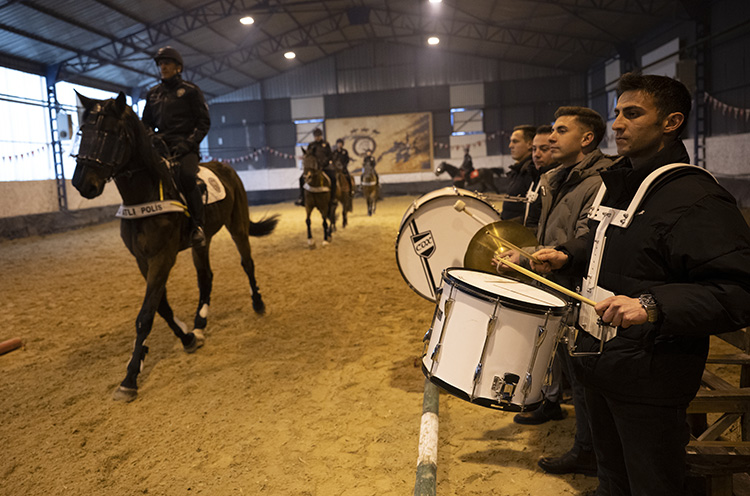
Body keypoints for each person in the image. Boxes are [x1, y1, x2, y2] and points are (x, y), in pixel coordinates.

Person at [525, 73, 750, 495]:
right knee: (612, 480)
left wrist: (651, 304)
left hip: (651, 375)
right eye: (617, 115)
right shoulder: (623, 185)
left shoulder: (696, 197)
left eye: (633, 114)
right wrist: (568, 253)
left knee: (651, 484)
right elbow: (611, 240)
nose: (617, 125)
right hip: (601, 365)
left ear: (671, 122)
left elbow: (738, 291)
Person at [496, 108, 619, 480]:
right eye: (551, 129)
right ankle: (586, 445)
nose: (550, 138)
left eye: (560, 131)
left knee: (582, 376)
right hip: (555, 285)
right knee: (571, 370)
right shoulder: (555, 177)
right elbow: (543, 236)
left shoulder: (599, 181)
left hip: (578, 289)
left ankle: (590, 451)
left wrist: (535, 257)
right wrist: (524, 255)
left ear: (586, 139)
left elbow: (583, 241)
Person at [142, 46, 211, 247]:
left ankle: (198, 226)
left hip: (185, 148)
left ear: (178, 67)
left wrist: (188, 143)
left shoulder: (191, 91)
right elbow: (145, 123)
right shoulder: (152, 94)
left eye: (167, 63)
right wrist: (151, 137)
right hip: (161, 148)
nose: (163, 67)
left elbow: (203, 123)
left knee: (187, 177)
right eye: (160, 64)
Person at [524, 124, 558, 228]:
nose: (536, 155)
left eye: (544, 149)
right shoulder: (535, 176)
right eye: (534, 149)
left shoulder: (557, 182)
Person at [501, 125, 536, 221]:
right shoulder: (518, 171)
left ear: (530, 144)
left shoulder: (531, 172)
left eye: (515, 141)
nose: (510, 145)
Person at [295, 128, 334, 207]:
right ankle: (302, 198)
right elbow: (308, 155)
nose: (317, 137)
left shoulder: (326, 144)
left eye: (318, 136)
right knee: (301, 179)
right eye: (316, 136)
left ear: (321, 136)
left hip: (324, 167)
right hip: (313, 169)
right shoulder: (311, 145)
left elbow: (330, 155)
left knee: (333, 178)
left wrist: (323, 164)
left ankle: (333, 198)